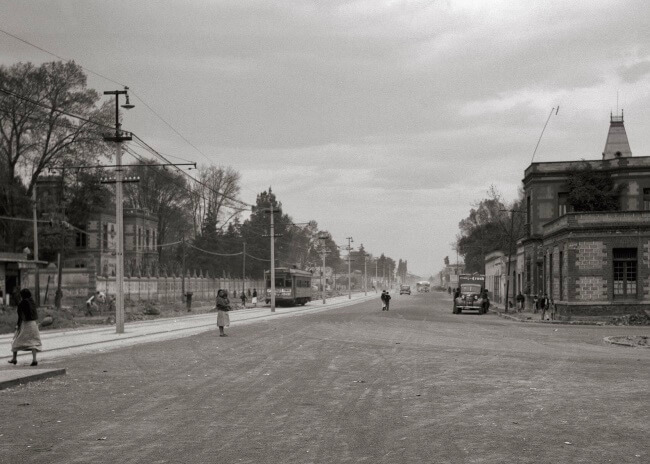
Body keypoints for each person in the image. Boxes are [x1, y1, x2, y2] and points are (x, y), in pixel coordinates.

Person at [8, 288, 42, 366]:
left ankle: (14, 359)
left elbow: (20, 316)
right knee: (33, 342)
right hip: (33, 324)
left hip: (25, 324)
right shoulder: (32, 302)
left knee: (16, 341)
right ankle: (34, 360)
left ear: (22, 295)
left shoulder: (22, 303)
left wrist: (18, 325)